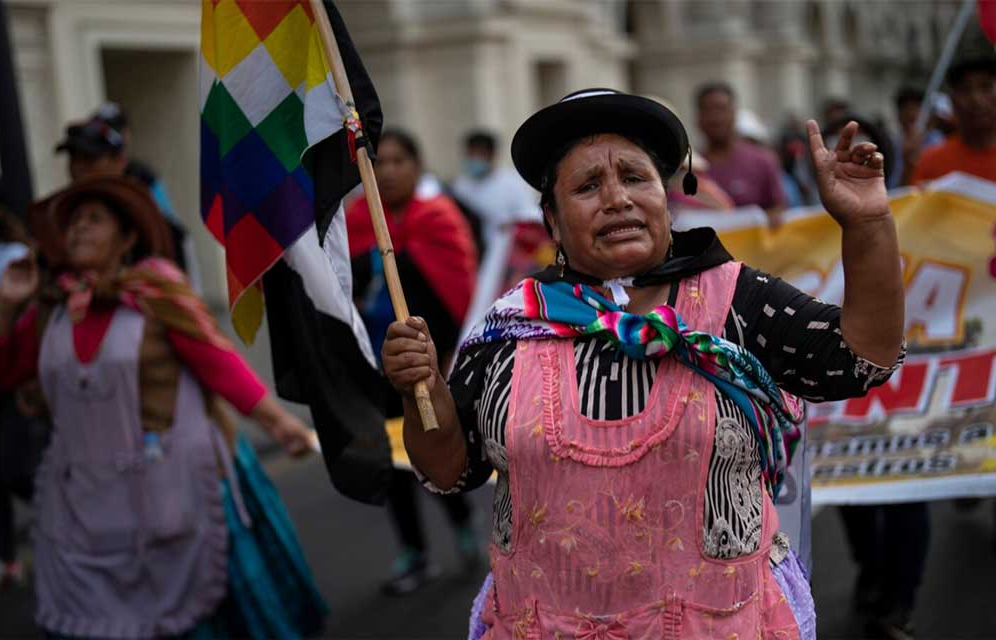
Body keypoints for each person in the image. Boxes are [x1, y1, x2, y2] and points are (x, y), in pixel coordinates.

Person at [384, 89, 905, 640]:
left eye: (635, 178)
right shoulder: (511, 326)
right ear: (553, 222)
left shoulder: (740, 301)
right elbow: (448, 471)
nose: (617, 199)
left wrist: (867, 223)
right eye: (587, 187)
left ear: (666, 199)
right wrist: (421, 391)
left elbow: (862, 357)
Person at [0, 175, 326, 638]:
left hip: (174, 484)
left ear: (129, 237)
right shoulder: (51, 306)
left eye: (94, 220)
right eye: (74, 222)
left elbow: (216, 361)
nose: (79, 229)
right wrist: (5, 304)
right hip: (88, 500)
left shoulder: (157, 291)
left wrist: (278, 423)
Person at [346, 130, 482, 595]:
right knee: (392, 461)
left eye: (399, 160)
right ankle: (414, 552)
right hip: (376, 368)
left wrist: (445, 359)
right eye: (378, 163)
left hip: (433, 367)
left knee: (439, 450)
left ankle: (463, 526)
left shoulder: (440, 219)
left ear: (418, 165)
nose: (387, 171)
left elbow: (456, 294)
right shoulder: (355, 224)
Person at [0, 172, 42, 599]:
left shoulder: (13, 258)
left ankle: (64, 530)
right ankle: (6, 562)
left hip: (11, 385)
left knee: (17, 467)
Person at [53, 108, 202, 291]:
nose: (78, 168)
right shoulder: (55, 220)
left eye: (89, 158)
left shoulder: (159, 228)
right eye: (73, 158)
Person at [696, 83, 788, 217]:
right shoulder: (689, 169)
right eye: (708, 110)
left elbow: (780, 209)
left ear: (734, 114)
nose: (716, 118)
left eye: (721, 109)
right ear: (698, 118)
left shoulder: (763, 160)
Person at [451, 130, 542, 253]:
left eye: (480, 154)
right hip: (475, 249)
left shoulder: (511, 181)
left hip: (508, 249)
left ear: (491, 154)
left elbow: (531, 214)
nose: (474, 159)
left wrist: (512, 224)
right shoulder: (460, 186)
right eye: (471, 154)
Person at [912, 56, 996, 185]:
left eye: (986, 87)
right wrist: (908, 166)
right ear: (952, 100)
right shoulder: (930, 162)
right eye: (965, 90)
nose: (976, 99)